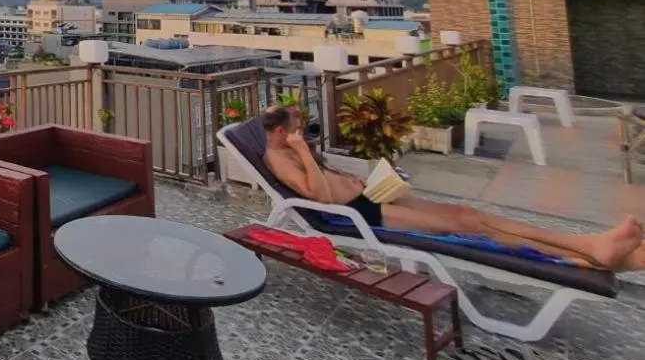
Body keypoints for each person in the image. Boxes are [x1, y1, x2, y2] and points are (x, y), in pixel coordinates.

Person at [259, 104, 644, 271]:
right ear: (280, 132)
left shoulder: (294, 148)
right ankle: (592, 251)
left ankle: (591, 247)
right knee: (466, 227)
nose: (303, 128)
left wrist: (357, 177)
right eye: (296, 124)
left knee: (470, 215)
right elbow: (321, 198)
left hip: (367, 198)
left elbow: (326, 181)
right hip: (360, 216)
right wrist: (304, 153)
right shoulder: (281, 157)